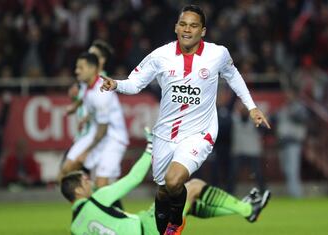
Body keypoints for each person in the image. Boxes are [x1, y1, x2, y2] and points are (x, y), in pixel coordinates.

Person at [99, 5, 270, 234]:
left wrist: (252, 107)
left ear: (203, 31)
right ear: (175, 27)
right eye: (183, 24)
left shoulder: (217, 54)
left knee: (174, 179)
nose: (187, 30)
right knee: (163, 191)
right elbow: (135, 83)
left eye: (193, 25)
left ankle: (176, 223)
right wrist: (116, 84)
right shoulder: (160, 56)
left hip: (199, 133)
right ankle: (166, 230)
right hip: (165, 133)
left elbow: (234, 76)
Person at [61, 129, 271, 235]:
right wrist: (150, 147)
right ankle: (246, 209)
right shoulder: (95, 199)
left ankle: (246, 207)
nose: (91, 183)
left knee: (189, 204)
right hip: (151, 229)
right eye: (86, 180)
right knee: (192, 187)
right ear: (79, 190)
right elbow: (133, 179)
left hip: (146, 223)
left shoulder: (74, 228)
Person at [63, 53, 129, 191]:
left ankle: (115, 210)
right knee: (68, 168)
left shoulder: (101, 94)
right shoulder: (88, 85)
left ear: (93, 69)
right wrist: (75, 107)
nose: (77, 71)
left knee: (101, 184)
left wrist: (86, 152)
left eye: (80, 68)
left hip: (113, 138)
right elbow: (85, 98)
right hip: (99, 135)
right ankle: (89, 201)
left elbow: (102, 130)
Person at [276, 89, 308, 198]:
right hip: (283, 143)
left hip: (294, 142)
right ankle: (292, 192)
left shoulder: (299, 107)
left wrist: (292, 113)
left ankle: (296, 194)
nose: (288, 96)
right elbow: (276, 120)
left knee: (292, 170)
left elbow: (303, 118)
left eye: (290, 94)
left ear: (295, 96)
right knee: (285, 169)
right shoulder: (284, 108)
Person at [229, 101, 266, 194]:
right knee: (233, 174)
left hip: (253, 151)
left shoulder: (255, 119)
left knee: (258, 174)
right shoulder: (234, 118)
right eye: (242, 108)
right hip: (239, 150)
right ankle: (229, 193)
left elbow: (264, 130)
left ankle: (263, 192)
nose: (244, 110)